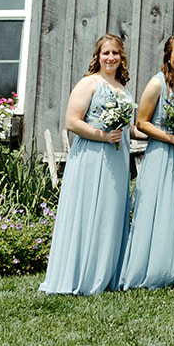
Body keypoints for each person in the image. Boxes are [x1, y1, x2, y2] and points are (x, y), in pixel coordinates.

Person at [40, 34, 133, 294]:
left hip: (117, 157)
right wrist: (103, 136)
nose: (111, 57)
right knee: (89, 209)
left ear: (121, 56)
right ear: (98, 56)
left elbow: (130, 128)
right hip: (92, 156)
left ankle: (106, 274)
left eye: (115, 53)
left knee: (110, 213)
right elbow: (72, 122)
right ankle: (82, 275)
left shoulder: (122, 86)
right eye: (106, 53)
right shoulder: (89, 83)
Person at [117, 34, 174, 290]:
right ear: (168, 55)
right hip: (161, 154)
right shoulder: (157, 83)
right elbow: (141, 123)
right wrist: (170, 139)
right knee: (156, 208)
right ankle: (147, 269)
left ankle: (171, 266)